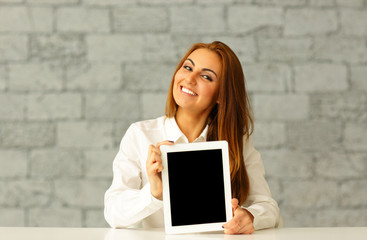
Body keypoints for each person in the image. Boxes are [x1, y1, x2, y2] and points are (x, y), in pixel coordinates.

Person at [104, 41, 280, 234]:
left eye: (206, 76)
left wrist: (249, 217)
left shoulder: (238, 143)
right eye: (187, 67)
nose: (189, 78)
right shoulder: (141, 135)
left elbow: (269, 207)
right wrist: (154, 194)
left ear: (221, 94)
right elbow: (113, 213)